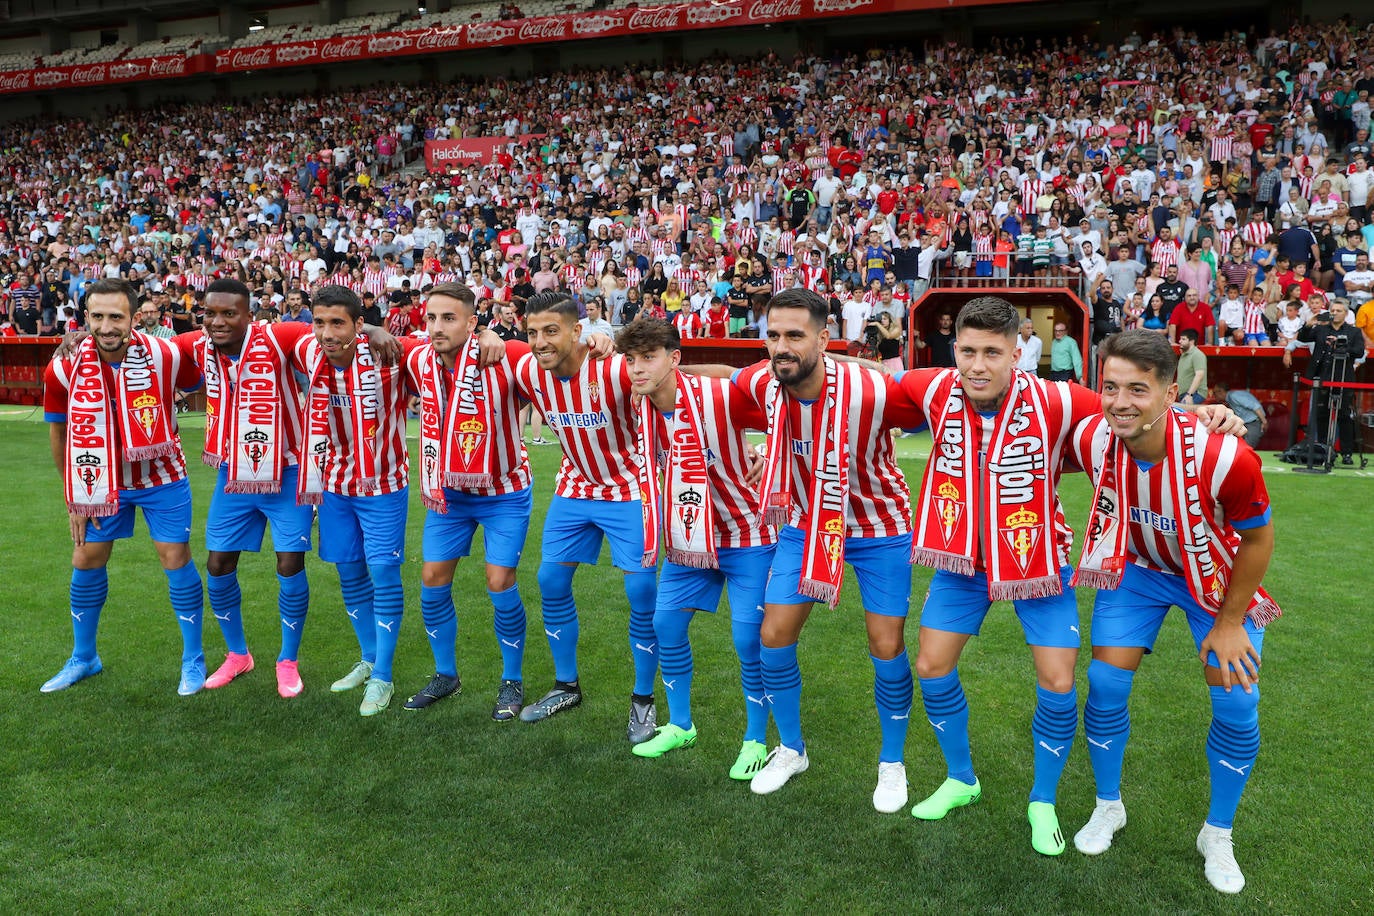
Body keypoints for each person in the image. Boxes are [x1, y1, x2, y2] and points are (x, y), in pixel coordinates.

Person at [1069, 330, 1280, 896]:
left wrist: (1231, 622)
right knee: (1104, 683)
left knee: (1238, 702)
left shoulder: (1224, 454)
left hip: (1214, 580)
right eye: (1110, 387)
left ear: (1170, 392)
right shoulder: (1091, 434)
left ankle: (1218, 832)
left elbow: (1259, 541)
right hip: (1136, 572)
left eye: (1138, 389)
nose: (1120, 402)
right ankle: (1108, 806)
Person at [895, 295, 1102, 856]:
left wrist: (1208, 414)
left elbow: (1133, 409)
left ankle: (1042, 799)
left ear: (1018, 353)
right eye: (967, 351)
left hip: (1036, 559)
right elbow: (855, 384)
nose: (978, 364)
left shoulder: (1060, 398)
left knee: (1059, 683)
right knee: (931, 667)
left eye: (992, 351)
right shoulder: (932, 387)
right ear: (953, 349)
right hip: (960, 562)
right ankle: (962, 779)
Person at [729, 288, 922, 813]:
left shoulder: (873, 389)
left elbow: (938, 398)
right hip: (805, 523)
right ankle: (791, 749)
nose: (781, 347)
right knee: (773, 633)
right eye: (772, 336)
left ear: (823, 336)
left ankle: (892, 761)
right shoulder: (762, 381)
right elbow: (710, 377)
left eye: (795, 335)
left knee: (886, 645)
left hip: (878, 526)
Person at [616, 319, 777, 779]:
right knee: (665, 625)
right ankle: (681, 723)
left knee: (750, 642)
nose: (637, 368)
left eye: (648, 357)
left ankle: (755, 739)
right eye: (631, 359)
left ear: (675, 358)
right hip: (690, 538)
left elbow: (787, 407)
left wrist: (769, 452)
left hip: (747, 534)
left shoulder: (719, 394)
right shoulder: (640, 405)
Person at [40, 278, 207, 695]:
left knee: (175, 557)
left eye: (116, 316)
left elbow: (209, 364)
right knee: (86, 559)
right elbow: (59, 433)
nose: (107, 326)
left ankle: (193, 659)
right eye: (97, 316)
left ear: (136, 318)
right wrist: (74, 496)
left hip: (161, 475)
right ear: (85, 319)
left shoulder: (166, 353)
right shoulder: (62, 366)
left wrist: (365, 327)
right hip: (97, 481)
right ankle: (84, 658)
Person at [511, 291, 661, 740]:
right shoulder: (526, 370)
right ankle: (566, 686)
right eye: (533, 332)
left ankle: (643, 700)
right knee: (550, 582)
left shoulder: (614, 368)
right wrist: (483, 334)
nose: (540, 342)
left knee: (640, 591)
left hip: (630, 487)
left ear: (578, 331)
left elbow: (676, 376)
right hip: (574, 486)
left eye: (551, 331)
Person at [180, 279, 319, 697]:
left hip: (288, 471)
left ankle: (288, 660)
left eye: (229, 313)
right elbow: (138, 341)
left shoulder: (279, 335)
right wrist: (79, 338)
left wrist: (374, 331)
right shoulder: (197, 343)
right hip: (233, 475)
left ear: (249, 316)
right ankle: (238, 655)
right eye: (210, 313)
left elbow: (336, 328)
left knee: (289, 565)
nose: (217, 322)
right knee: (218, 564)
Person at [403, 283, 534, 717]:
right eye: (431, 319)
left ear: (472, 323)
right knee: (432, 581)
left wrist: (501, 337)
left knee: (499, 582)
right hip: (450, 496)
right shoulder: (418, 357)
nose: (436, 328)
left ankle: (511, 681)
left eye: (449, 318)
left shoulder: (503, 356)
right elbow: (357, 335)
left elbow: (557, 357)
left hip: (503, 492)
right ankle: (446, 675)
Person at [291, 285, 415, 716]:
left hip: (383, 485)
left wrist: (380, 329)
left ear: (358, 324)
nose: (326, 332)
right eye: (319, 322)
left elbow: (453, 341)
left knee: (383, 572)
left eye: (337, 323)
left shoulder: (391, 356)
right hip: (334, 486)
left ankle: (384, 676)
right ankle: (368, 658)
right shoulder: (307, 349)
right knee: (349, 573)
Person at [1288, 299, 1365, 464]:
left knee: (1344, 415)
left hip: (1344, 377)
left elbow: (1359, 352)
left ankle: (1346, 454)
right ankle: (1323, 450)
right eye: (1333, 310)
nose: (1335, 313)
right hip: (1322, 376)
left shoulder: (1354, 332)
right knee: (1322, 414)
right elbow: (1303, 337)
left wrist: (1341, 346)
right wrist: (1308, 325)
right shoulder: (1321, 329)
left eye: (1338, 310)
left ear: (1345, 313)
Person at [1212, 381, 1267, 448]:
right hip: (1246, 424)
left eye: (1214, 393)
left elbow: (1256, 406)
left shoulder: (1234, 396)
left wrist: (1264, 422)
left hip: (1253, 423)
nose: (1214, 396)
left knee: (1247, 447)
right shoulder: (1229, 399)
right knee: (1240, 447)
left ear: (1221, 391)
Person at [1176, 328, 1208, 404]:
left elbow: (1199, 375)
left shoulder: (1197, 355)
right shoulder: (1184, 355)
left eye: (1183, 339)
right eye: (1180, 339)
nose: (1180, 341)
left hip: (1195, 394)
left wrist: (1189, 395)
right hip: (1186, 394)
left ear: (1192, 341)